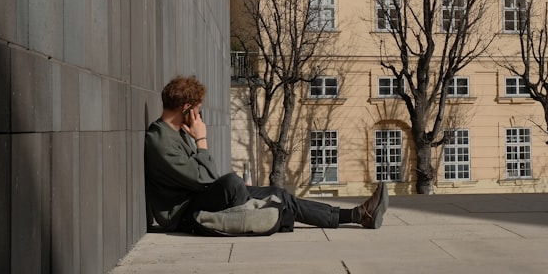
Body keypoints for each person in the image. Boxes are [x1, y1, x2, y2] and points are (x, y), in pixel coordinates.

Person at [144, 75, 389, 234]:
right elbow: (205, 178)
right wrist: (201, 139)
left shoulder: (174, 134)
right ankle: (269, 213)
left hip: (200, 200)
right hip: (185, 215)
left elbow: (205, 178)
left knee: (278, 193)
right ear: (186, 109)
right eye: (197, 109)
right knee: (232, 183)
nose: (200, 114)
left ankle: (357, 215)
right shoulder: (161, 140)